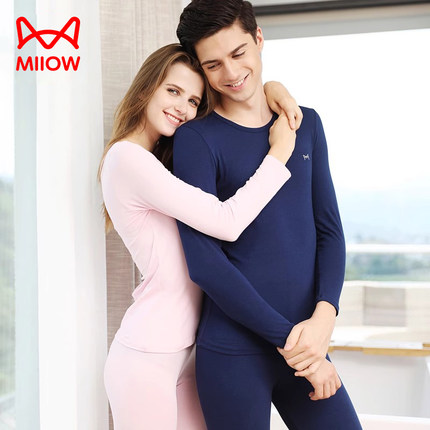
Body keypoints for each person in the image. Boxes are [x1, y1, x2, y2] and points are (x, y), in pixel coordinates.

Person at [174, 1, 363, 429]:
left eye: (239, 53)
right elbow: (205, 263)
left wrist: (324, 319)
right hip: (234, 351)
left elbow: (329, 232)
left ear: (259, 39)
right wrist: (294, 343)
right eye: (213, 64)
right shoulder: (196, 141)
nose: (231, 72)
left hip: (307, 339)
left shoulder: (305, 124)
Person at [99, 43, 300, 429]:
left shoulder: (159, 162)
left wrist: (274, 89)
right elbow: (227, 221)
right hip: (147, 356)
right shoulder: (127, 159)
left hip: (187, 353)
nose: (182, 108)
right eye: (173, 91)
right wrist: (279, 154)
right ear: (147, 87)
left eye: (193, 100)